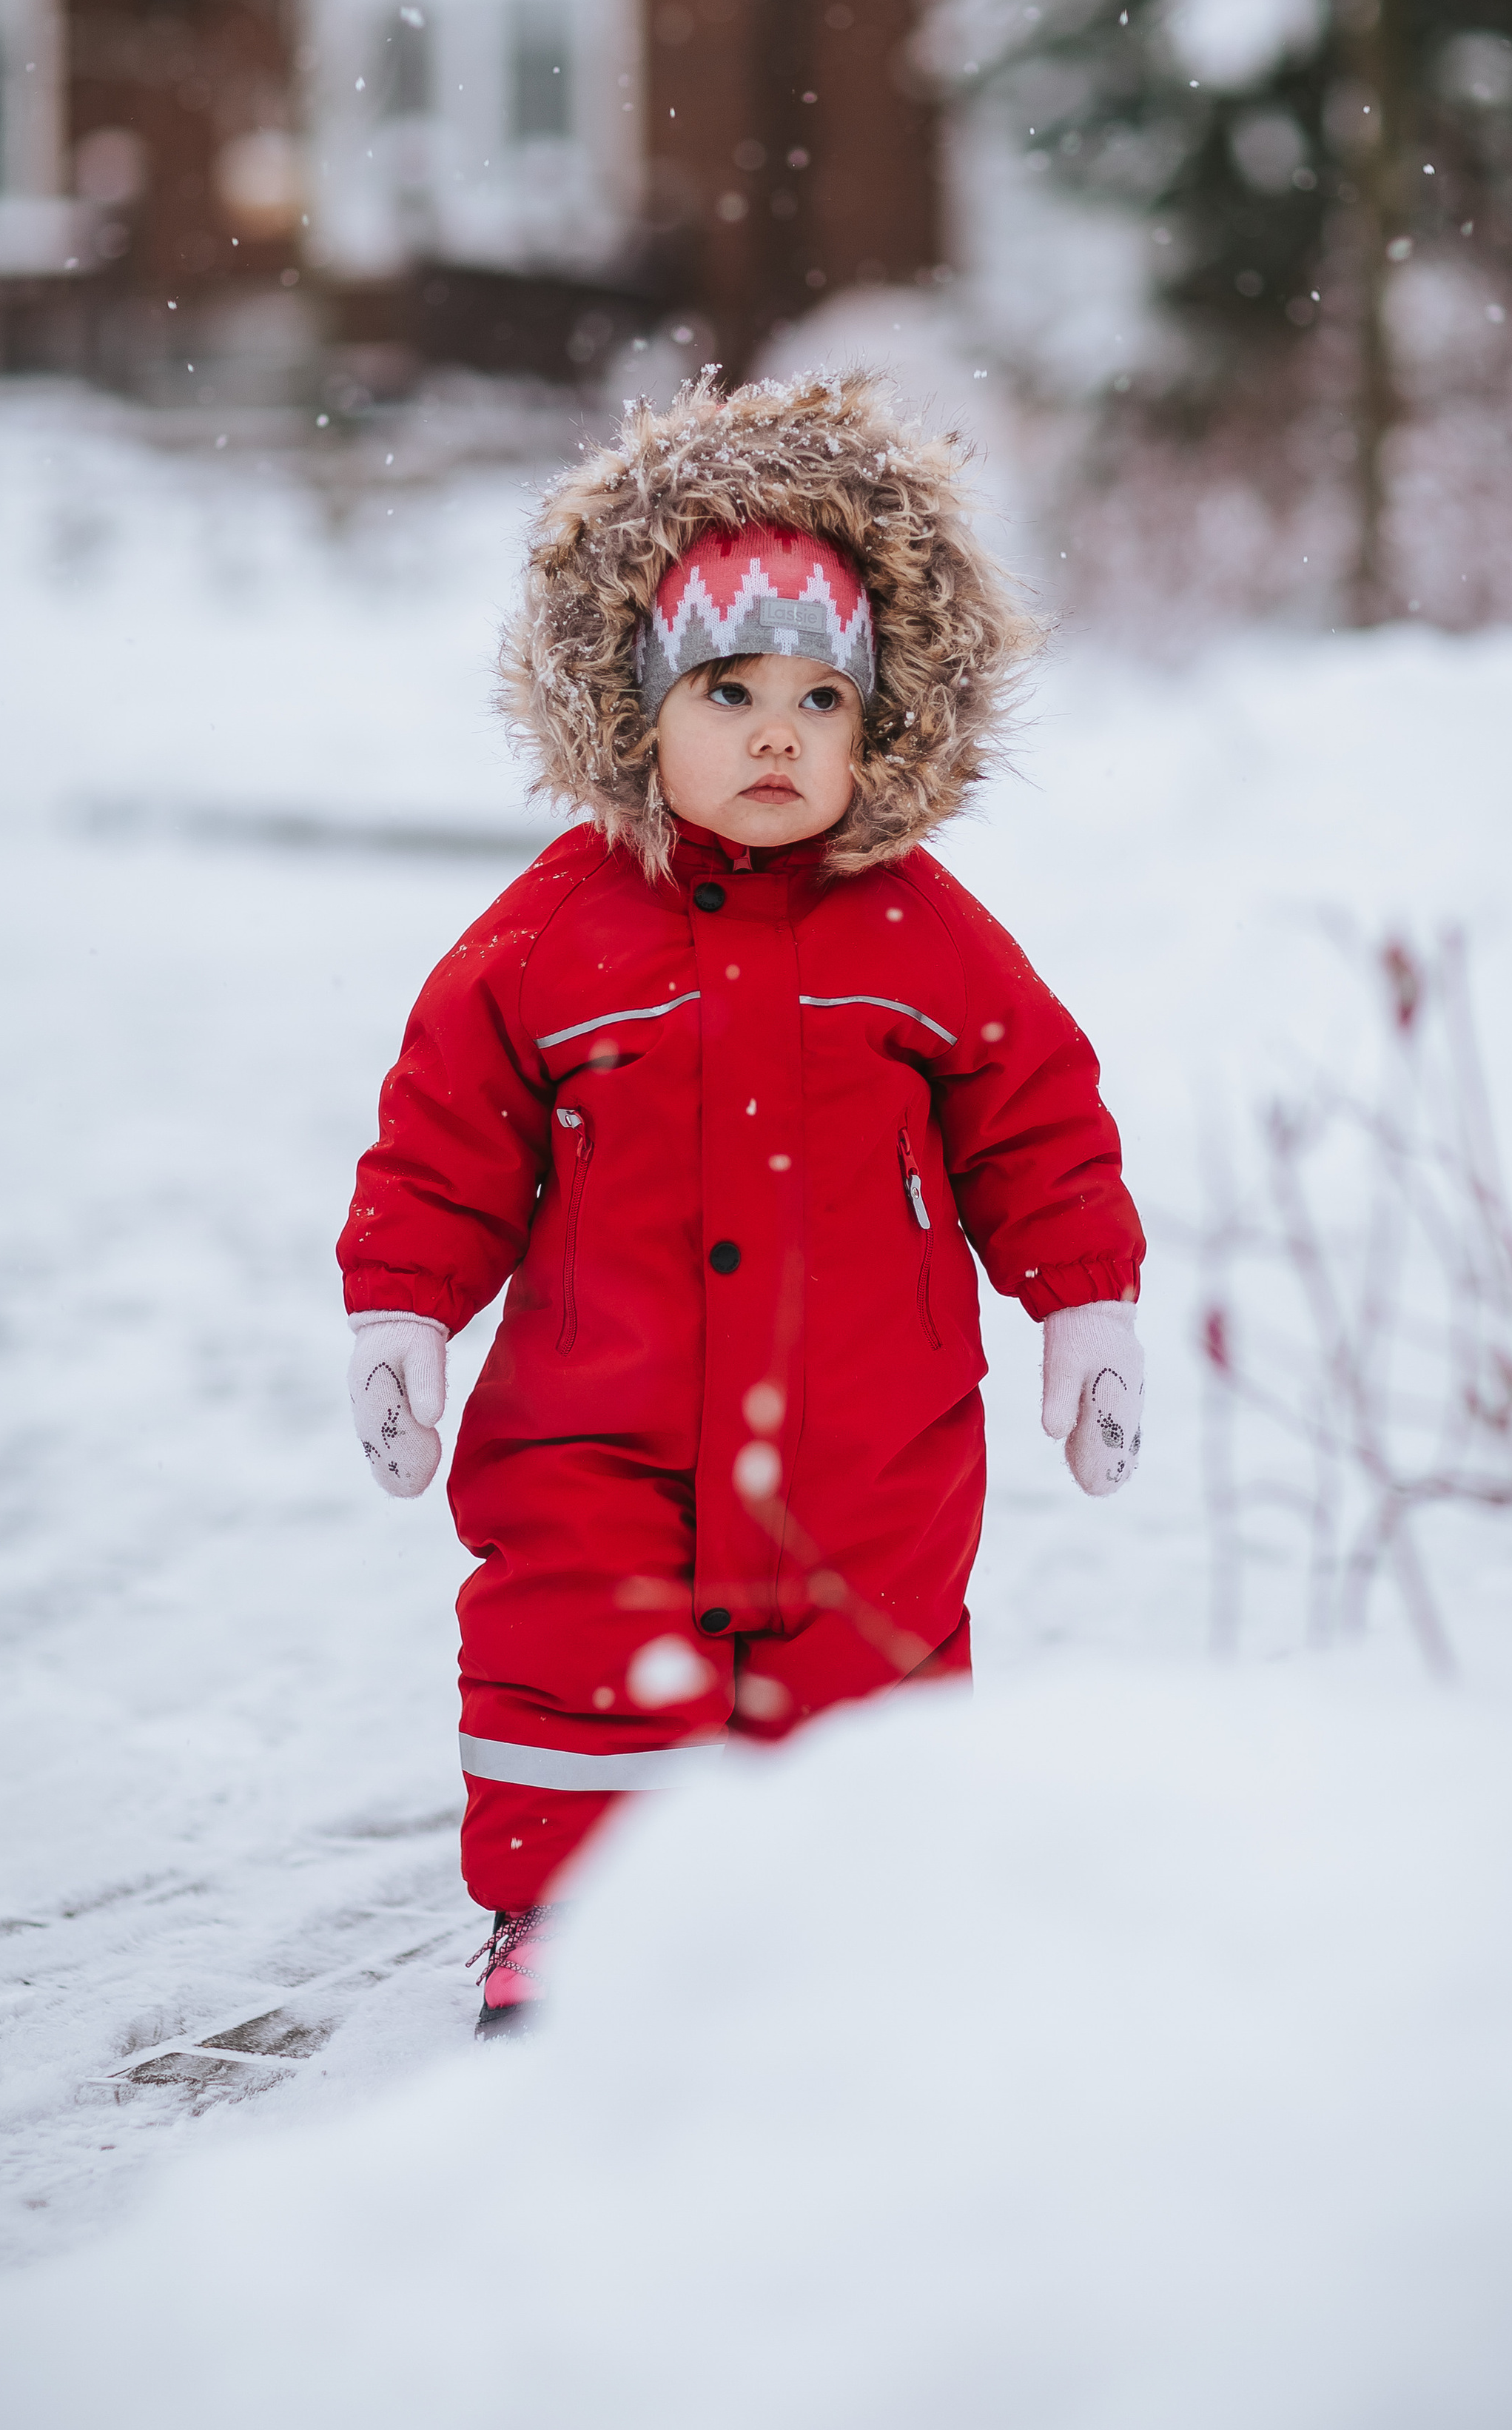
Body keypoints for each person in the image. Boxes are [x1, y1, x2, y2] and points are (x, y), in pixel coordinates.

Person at [340, 371, 1146, 2037]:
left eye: (821, 697)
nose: (778, 734)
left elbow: (1037, 1114)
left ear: (880, 725)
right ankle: (568, 1915)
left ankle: (848, 1913)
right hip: (601, 1418)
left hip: (871, 1428)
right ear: (639, 709)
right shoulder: (549, 937)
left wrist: (1087, 1300)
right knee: (578, 1645)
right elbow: (444, 1132)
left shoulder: (921, 931)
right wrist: (403, 1307)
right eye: (729, 690)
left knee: (865, 1664)